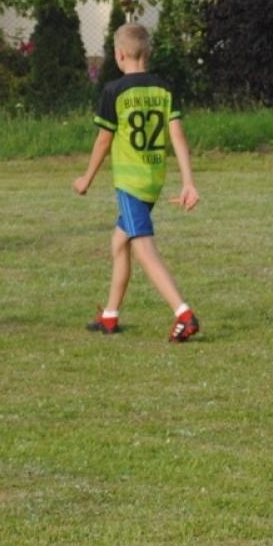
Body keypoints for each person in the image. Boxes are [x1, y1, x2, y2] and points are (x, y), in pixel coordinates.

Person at [72, 23, 201, 342]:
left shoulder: (113, 91)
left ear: (118, 55)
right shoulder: (164, 89)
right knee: (119, 242)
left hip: (130, 183)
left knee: (143, 249)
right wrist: (188, 181)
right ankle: (110, 317)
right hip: (153, 179)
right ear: (149, 53)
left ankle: (184, 314)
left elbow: (104, 140)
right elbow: (178, 134)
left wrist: (86, 179)